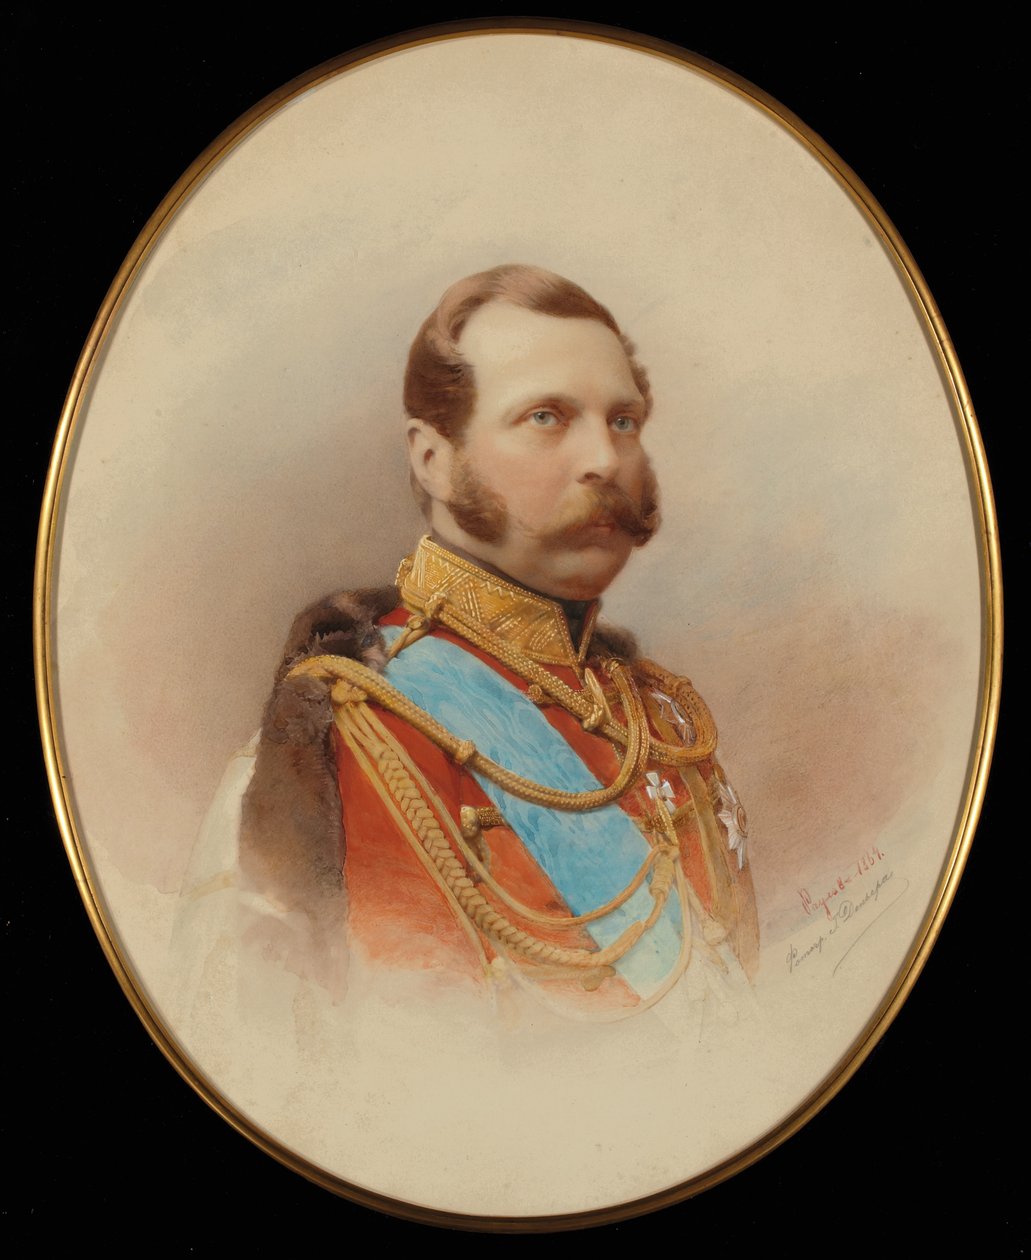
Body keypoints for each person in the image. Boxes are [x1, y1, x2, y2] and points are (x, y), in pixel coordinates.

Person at [192, 264, 758, 1022]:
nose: (604, 458)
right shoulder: (359, 729)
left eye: (622, 421)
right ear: (433, 459)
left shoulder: (663, 721)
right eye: (546, 417)